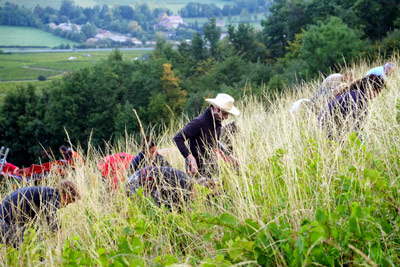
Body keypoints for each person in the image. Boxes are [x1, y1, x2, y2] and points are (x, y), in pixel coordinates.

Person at [173, 93, 240, 179]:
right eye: (224, 114)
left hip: (210, 164)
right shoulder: (199, 122)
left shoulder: (217, 122)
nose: (226, 117)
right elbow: (178, 138)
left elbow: (215, 141)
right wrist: (191, 158)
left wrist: (230, 156)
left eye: (228, 114)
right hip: (195, 168)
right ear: (215, 109)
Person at [0, 180, 80, 247]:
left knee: (38, 242)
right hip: (5, 225)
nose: (65, 206)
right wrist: (66, 242)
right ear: (67, 196)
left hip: (5, 223)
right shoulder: (52, 196)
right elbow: (51, 220)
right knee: (37, 249)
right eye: (69, 202)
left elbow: (40, 225)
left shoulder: (46, 193)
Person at [318, 74, 385, 140]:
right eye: (377, 92)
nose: (376, 95)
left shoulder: (356, 93)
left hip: (325, 121)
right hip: (328, 125)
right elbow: (355, 127)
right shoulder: (359, 99)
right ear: (370, 88)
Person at [126, 166, 194, 208]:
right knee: (146, 208)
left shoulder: (184, 179)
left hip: (145, 181)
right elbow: (171, 202)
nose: (194, 199)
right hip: (136, 182)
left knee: (156, 206)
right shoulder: (183, 185)